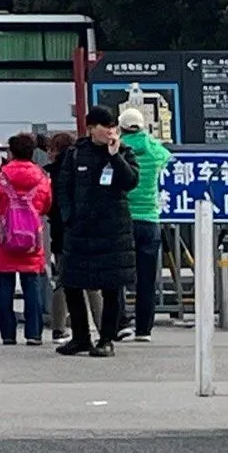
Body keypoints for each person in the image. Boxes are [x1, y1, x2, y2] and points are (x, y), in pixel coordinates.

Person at [50, 106, 135, 356]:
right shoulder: (75, 154)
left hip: (112, 231)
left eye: (113, 127)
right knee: (72, 283)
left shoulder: (123, 152)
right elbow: (62, 188)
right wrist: (68, 217)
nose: (110, 132)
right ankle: (80, 337)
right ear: (91, 128)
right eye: (105, 127)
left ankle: (106, 339)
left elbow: (130, 181)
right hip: (80, 231)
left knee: (111, 287)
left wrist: (114, 156)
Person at [0, 132, 55, 346]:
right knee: (32, 286)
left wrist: (2, 209)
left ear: (10, 153)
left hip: (5, 239)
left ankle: (8, 334)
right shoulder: (41, 177)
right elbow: (47, 204)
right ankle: (34, 333)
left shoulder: (2, 178)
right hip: (31, 240)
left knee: (5, 287)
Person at [118, 107, 170, 341]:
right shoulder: (155, 151)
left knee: (117, 275)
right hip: (150, 219)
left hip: (123, 219)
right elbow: (166, 157)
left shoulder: (117, 150)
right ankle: (144, 329)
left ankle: (120, 322)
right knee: (147, 278)